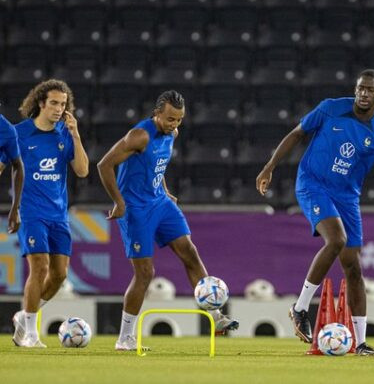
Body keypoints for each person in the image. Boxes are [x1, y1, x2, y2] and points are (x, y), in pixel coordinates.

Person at [256, 69, 374, 356]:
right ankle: (300, 307)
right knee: (336, 240)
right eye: (360, 88)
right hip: (313, 184)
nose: (364, 94)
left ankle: (361, 342)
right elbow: (296, 133)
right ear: (355, 89)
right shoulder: (330, 108)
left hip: (347, 197)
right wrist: (270, 167)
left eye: (370, 90)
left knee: (353, 267)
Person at [97, 90, 239, 351]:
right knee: (145, 273)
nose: (174, 125)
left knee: (190, 252)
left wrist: (163, 187)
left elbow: (157, 164)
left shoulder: (172, 134)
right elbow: (104, 165)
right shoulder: (139, 136)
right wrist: (119, 202)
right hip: (136, 208)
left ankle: (215, 317)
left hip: (160, 202)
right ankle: (125, 337)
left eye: (179, 119)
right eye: (170, 119)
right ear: (157, 114)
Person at [9, 79, 89, 347]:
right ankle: (31, 332)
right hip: (31, 212)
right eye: (54, 103)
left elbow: (82, 170)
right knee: (39, 265)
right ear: (40, 103)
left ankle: (24, 317)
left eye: (63, 104)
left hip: (58, 214)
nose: (58, 108)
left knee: (59, 275)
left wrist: (76, 134)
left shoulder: (65, 134)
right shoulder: (19, 133)